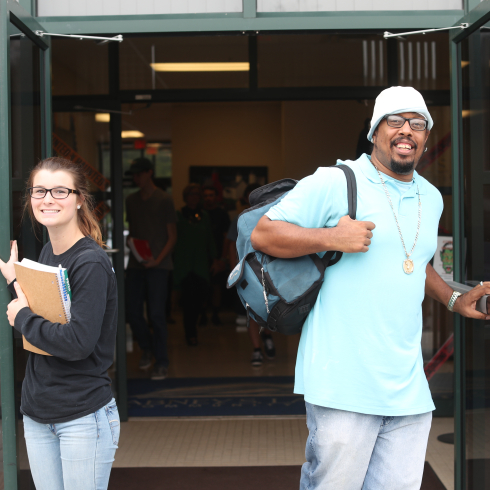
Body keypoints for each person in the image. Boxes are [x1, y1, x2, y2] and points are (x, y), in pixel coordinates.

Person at [251, 86, 490, 490]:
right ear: (375, 131)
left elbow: (412, 261)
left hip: (408, 387)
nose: (406, 131)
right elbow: (263, 234)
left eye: (417, 123)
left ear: (427, 135)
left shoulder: (431, 197)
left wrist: (452, 297)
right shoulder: (336, 181)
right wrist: (330, 238)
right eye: (394, 121)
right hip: (342, 382)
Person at [0, 157, 120, 490]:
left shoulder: (90, 263)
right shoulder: (48, 255)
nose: (47, 199)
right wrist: (15, 281)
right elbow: (46, 316)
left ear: (80, 198)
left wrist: (21, 317)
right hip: (39, 413)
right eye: (39, 191)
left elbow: (76, 342)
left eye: (59, 191)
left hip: (81, 414)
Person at [125, 158, 177, 380]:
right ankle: (146, 348)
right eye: (133, 175)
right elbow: (133, 230)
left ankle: (161, 361)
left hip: (159, 265)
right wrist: (131, 245)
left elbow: (172, 236)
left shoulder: (164, 199)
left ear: (149, 173)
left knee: (156, 314)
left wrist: (158, 260)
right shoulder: (131, 200)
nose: (136, 178)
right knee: (131, 311)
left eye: (139, 174)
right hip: (137, 264)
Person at [228, 183, 276, 367]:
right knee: (251, 310)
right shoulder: (241, 219)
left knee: (270, 307)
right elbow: (231, 246)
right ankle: (257, 349)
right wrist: (235, 272)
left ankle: (268, 336)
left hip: (270, 272)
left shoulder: (273, 217)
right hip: (247, 272)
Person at [173, 184, 217, 346]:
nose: (193, 197)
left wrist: (215, 259)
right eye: (190, 194)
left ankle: (193, 328)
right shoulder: (177, 216)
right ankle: (190, 333)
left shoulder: (204, 216)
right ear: (185, 196)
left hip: (201, 264)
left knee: (200, 298)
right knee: (188, 300)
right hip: (184, 264)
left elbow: (209, 239)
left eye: (196, 194)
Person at [201, 185, 231, 325]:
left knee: (216, 286)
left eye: (211, 195)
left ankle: (215, 314)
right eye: (206, 195)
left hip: (218, 255)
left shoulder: (222, 214)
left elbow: (227, 238)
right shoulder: (199, 213)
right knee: (202, 286)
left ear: (216, 197)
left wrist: (223, 258)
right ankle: (202, 314)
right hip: (202, 256)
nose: (208, 198)